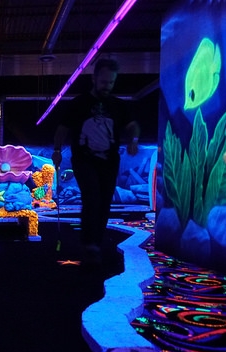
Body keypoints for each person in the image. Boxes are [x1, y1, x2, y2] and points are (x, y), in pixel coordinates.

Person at [51, 58, 140, 268]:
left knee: (104, 202)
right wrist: (57, 150)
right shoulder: (79, 104)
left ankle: (96, 243)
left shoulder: (118, 105)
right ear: (94, 78)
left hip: (109, 162)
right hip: (84, 160)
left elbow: (132, 125)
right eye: (103, 82)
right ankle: (89, 244)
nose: (107, 86)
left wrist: (134, 140)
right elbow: (62, 128)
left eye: (111, 82)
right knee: (92, 197)